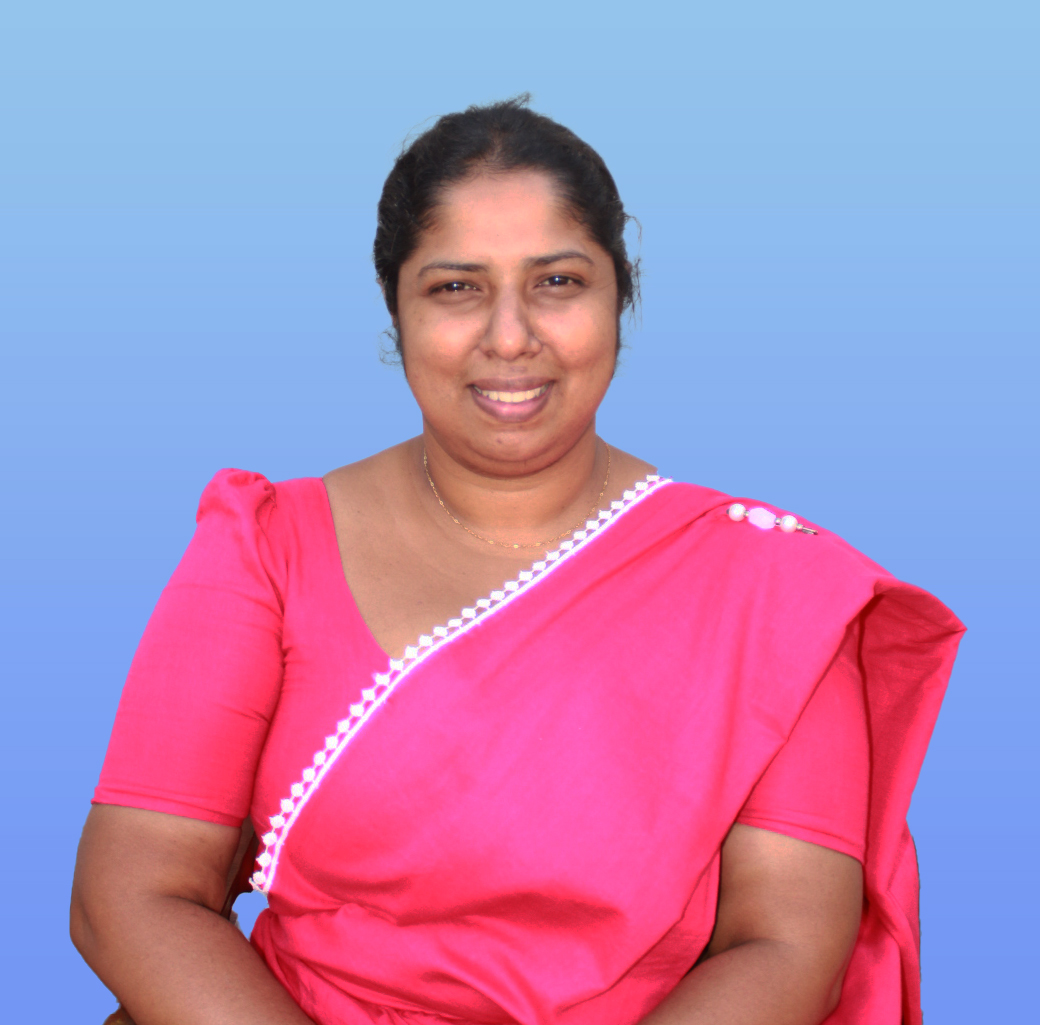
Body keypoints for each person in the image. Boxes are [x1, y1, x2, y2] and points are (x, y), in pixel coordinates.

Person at [71, 98, 964, 1025]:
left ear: (620, 298)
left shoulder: (773, 589)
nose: (509, 336)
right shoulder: (268, 545)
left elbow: (783, 943)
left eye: (558, 282)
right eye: (457, 287)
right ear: (397, 310)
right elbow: (133, 893)